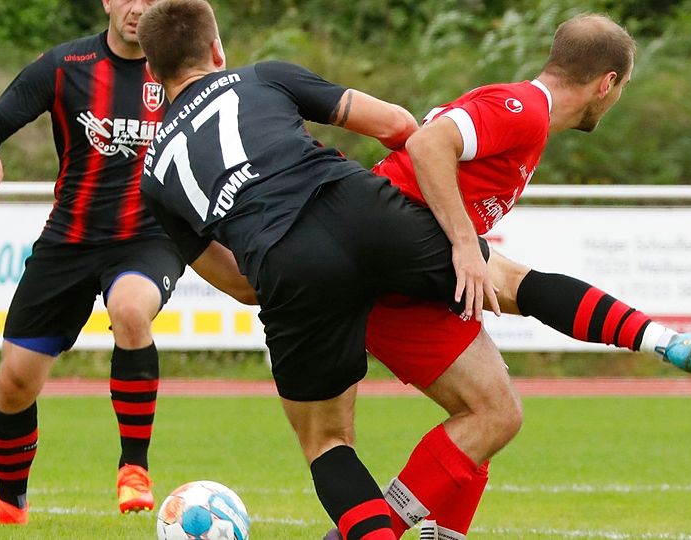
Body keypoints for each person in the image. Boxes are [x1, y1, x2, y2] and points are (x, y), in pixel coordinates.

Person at [357, 13, 691, 539]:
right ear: (607, 83)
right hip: (383, 267)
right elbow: (428, 144)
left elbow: (529, 286)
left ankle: (666, 342)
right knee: (491, 414)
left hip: (408, 270)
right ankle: (366, 533)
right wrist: (466, 244)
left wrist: (664, 341)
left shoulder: (526, 121)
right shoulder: (522, 109)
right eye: (623, 87)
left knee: (484, 421)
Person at [135, 1, 506, 538]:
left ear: (152, 73)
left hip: (286, 275)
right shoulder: (264, 76)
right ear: (217, 49)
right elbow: (398, 124)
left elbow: (238, 284)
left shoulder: (153, 176)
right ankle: (639, 335)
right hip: (362, 214)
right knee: (511, 291)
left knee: (328, 443)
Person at [0, 0, 255, 526]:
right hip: (68, 241)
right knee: (14, 382)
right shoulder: (65, 66)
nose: (138, 8)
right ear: (107, 2)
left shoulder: (181, 69)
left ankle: (133, 469)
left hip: (150, 236)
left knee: (130, 310)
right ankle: (9, 505)